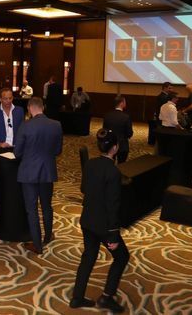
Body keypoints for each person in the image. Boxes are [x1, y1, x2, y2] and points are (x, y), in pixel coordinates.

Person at [70, 129, 129, 313]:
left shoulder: (90, 164)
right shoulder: (113, 172)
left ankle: (77, 298)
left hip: (87, 220)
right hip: (104, 226)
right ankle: (106, 297)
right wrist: (113, 235)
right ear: (115, 148)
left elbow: (83, 189)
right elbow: (113, 206)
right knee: (122, 257)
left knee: (88, 256)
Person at [14, 97, 62, 254]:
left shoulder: (25, 125)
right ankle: (48, 236)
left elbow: (17, 152)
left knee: (32, 209)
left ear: (29, 108)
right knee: (47, 206)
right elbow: (57, 151)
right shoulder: (56, 125)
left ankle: (37, 244)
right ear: (43, 107)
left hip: (29, 173)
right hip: (47, 172)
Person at [0, 87, 25, 219]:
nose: (8, 101)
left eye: (10, 98)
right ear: (0, 99)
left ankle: (11, 208)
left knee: (15, 181)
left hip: (15, 150)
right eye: (5, 98)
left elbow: (22, 130)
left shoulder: (19, 111)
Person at [102, 95, 133, 164]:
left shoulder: (107, 115)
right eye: (125, 102)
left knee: (109, 164)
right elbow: (129, 133)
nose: (126, 103)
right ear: (121, 103)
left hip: (110, 145)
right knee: (121, 165)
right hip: (122, 146)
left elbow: (104, 131)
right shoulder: (126, 117)